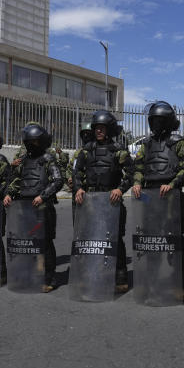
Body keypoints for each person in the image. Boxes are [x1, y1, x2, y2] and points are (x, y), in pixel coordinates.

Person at [72, 110, 134, 291]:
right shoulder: (86, 150)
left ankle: (120, 277)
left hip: (111, 201)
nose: (99, 131)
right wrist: (78, 188)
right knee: (90, 240)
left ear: (109, 129)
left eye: (102, 128)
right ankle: (90, 274)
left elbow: (131, 174)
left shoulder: (119, 150)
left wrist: (120, 189)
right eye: (96, 128)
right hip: (90, 202)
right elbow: (77, 173)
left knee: (115, 239)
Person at [4, 124, 63, 292]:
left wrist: (43, 196)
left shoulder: (48, 159)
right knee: (27, 243)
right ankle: (29, 275)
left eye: (35, 141)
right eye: (29, 141)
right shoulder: (23, 161)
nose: (31, 144)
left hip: (43, 207)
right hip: (24, 207)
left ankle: (49, 279)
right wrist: (9, 194)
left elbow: (58, 181)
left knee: (45, 244)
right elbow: (16, 181)